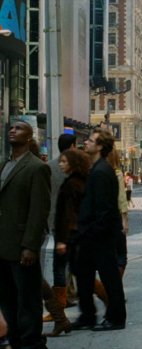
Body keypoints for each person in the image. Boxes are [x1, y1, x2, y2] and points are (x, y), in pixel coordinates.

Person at [0, 121, 51, 348]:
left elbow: (39, 210)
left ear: (29, 137)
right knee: (8, 300)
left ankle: (32, 342)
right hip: (3, 246)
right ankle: (16, 340)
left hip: (22, 247)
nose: (13, 130)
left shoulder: (36, 167)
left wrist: (30, 246)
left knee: (28, 299)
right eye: (11, 128)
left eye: (19, 128)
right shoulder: (4, 165)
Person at [72, 128, 127, 331]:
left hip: (100, 236)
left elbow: (104, 209)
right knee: (84, 275)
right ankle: (87, 315)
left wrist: (90, 232)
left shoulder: (102, 171)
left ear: (100, 146)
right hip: (90, 235)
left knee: (110, 277)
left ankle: (116, 317)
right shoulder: (95, 169)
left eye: (91, 140)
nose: (86, 143)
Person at [44, 148, 91, 337]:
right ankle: (108, 299)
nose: (60, 164)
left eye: (64, 162)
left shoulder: (71, 184)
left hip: (68, 236)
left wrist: (62, 240)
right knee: (78, 271)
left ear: (73, 163)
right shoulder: (80, 181)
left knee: (62, 272)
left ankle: (60, 315)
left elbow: (67, 215)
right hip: (75, 235)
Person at [43, 134, 76, 323]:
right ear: (73, 145)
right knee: (73, 264)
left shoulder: (48, 168)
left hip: (56, 223)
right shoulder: (80, 167)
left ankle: (60, 305)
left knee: (61, 265)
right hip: (75, 223)